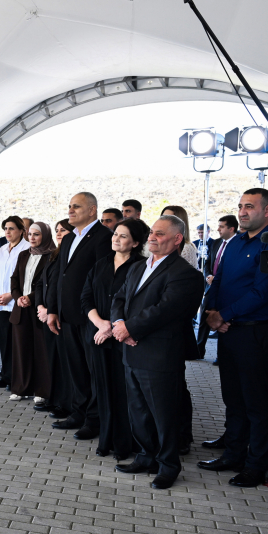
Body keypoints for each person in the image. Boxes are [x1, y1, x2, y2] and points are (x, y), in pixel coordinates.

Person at [198, 188, 268, 488]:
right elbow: (218, 280)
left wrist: (223, 315)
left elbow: (263, 292)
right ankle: (233, 455)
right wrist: (212, 311)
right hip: (229, 329)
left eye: (249, 206)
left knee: (256, 401)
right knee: (233, 397)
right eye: (240, 206)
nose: (241, 212)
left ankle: (256, 466)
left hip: (255, 331)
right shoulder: (236, 242)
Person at [111, 215, 205, 489]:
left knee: (164, 414)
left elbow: (166, 311)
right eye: (152, 232)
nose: (152, 237)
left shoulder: (187, 275)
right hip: (132, 349)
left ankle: (168, 465)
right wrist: (119, 325)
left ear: (177, 240)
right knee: (138, 409)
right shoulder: (137, 267)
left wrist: (129, 329)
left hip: (159, 354)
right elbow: (119, 298)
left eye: (160, 234)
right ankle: (146, 456)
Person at [47, 193, 114, 440]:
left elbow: (103, 281)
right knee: (75, 367)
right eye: (69, 206)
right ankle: (79, 412)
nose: (70, 210)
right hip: (66, 315)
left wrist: (98, 318)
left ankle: (94, 420)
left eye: (76, 206)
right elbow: (59, 277)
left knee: (93, 370)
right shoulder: (68, 239)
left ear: (92, 210)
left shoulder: (104, 237)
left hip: (90, 317)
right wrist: (53, 309)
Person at [80, 219, 148, 460]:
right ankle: (107, 440)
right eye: (115, 234)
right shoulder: (100, 264)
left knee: (126, 393)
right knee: (103, 390)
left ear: (136, 243)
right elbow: (86, 298)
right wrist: (101, 324)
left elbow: (139, 305)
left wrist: (113, 327)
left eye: (123, 236)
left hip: (125, 339)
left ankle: (127, 444)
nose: (116, 239)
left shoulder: (142, 266)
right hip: (99, 336)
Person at [9, 222, 56, 400]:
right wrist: (18, 297)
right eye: (30, 234)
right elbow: (14, 279)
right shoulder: (23, 255)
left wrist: (32, 297)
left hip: (39, 307)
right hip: (21, 308)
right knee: (22, 350)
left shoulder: (52, 256)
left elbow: (48, 285)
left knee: (41, 351)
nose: (32, 238)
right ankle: (21, 388)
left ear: (44, 235)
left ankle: (42, 390)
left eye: (36, 234)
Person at [33, 220, 73, 415]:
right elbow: (41, 283)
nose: (58, 233)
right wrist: (40, 305)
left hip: (59, 316)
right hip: (47, 314)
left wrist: (51, 310)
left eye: (63, 230)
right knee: (51, 359)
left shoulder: (70, 255)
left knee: (63, 361)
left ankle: (65, 403)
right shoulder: (54, 254)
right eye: (56, 230)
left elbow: (62, 288)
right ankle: (54, 398)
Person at [197, 215, 239, 366]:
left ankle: (221, 356)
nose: (218, 229)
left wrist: (220, 279)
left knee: (223, 321)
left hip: (227, 290)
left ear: (231, 228)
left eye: (221, 226)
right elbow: (208, 262)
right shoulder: (216, 242)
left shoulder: (239, 243)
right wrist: (209, 275)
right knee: (204, 317)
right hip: (211, 287)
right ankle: (198, 349)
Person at [0, 216, 26, 388]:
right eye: (5, 228)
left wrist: (10, 295)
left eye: (11, 228)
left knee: (18, 343)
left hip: (17, 303)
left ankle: (18, 378)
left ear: (21, 230)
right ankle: (6, 375)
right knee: (4, 341)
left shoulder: (27, 248)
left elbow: (25, 278)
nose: (8, 232)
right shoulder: (2, 249)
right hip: (2, 304)